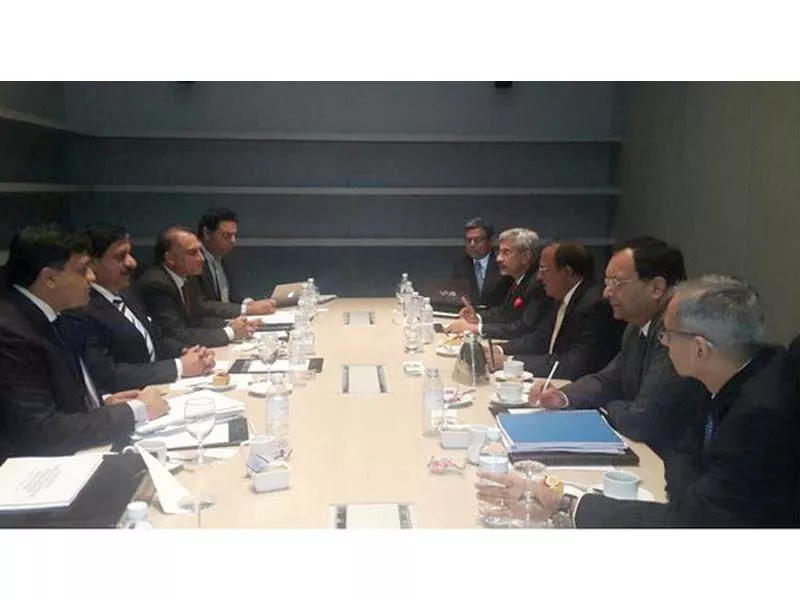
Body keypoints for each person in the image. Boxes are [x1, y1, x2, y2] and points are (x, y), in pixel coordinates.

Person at [478, 276, 800, 527]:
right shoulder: (733, 374)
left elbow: (693, 523)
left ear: (700, 349)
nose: (664, 343)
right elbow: (683, 467)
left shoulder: (760, 417)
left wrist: (564, 503)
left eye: (667, 335)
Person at [528, 236, 707, 460]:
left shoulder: (677, 335)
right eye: (607, 283)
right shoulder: (636, 325)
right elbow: (609, 379)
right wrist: (563, 396)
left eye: (617, 283)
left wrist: (607, 406)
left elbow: (642, 420)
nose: (606, 293)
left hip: (672, 462)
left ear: (656, 288)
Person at [0, 224, 168, 460]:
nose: (91, 277)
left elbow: (59, 395)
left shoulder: (48, 313)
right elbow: (42, 430)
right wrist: (135, 411)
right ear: (49, 278)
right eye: (82, 269)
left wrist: (102, 402)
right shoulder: (11, 332)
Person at [59, 225, 216, 394]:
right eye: (120, 256)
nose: (132, 263)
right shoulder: (81, 308)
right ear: (93, 264)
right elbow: (107, 375)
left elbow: (153, 339)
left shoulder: (125, 292)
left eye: (129, 253)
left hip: (161, 389)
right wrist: (179, 367)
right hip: (133, 397)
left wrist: (185, 352)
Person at [487, 242, 624, 380]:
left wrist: (510, 361)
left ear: (567, 272)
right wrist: (499, 349)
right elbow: (540, 338)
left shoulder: (594, 305)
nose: (539, 277)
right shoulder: (562, 296)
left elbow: (574, 364)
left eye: (543, 269)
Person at [136, 226, 255, 349]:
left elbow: (197, 319)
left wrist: (232, 325)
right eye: (193, 253)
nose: (201, 259)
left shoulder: (187, 277)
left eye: (200, 251)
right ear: (170, 258)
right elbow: (175, 334)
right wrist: (230, 332)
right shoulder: (156, 285)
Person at [446, 227, 554, 339]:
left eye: (506, 252)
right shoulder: (518, 280)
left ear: (525, 257)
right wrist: (477, 317)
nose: (498, 259)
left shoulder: (539, 285)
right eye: (499, 252)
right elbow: (504, 312)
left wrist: (476, 328)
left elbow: (523, 328)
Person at [197, 207, 277, 317]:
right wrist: (246, 309)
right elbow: (201, 305)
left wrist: (249, 303)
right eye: (226, 235)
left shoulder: (227, 257)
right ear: (206, 233)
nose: (233, 241)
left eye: (234, 235)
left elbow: (230, 295)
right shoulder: (193, 260)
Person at [451, 217, 511, 309]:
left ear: (490, 241)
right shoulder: (461, 263)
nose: (472, 244)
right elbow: (456, 295)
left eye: (477, 240)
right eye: (468, 240)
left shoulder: (502, 262)